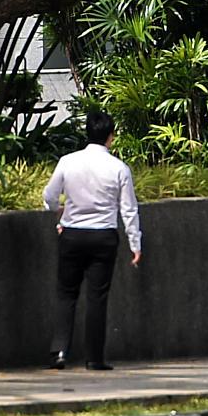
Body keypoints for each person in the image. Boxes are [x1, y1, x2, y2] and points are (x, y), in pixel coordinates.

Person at [43, 111, 142, 370]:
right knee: (97, 297)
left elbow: (50, 195)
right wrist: (135, 243)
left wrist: (58, 211)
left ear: (87, 132)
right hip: (103, 236)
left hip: (72, 234)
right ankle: (94, 358)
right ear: (111, 137)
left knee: (66, 293)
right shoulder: (119, 168)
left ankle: (59, 351)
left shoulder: (68, 161)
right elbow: (128, 209)